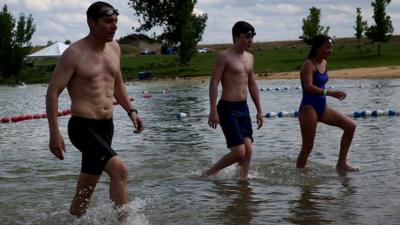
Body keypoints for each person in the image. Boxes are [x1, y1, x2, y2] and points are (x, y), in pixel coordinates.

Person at [45, 1, 144, 218]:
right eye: (108, 21)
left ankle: (73, 220)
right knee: (120, 170)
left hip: (107, 126)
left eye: (116, 21)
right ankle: (126, 223)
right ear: (92, 23)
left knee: (87, 186)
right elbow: (53, 92)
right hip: (83, 127)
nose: (114, 26)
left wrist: (131, 110)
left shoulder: (115, 48)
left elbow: (117, 84)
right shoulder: (74, 54)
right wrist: (54, 133)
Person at [203, 21, 263, 179]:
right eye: (248, 36)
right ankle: (209, 173)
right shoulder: (224, 57)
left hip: (243, 108)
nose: (251, 40)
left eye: (253, 36)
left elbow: (252, 84)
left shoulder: (250, 57)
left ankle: (242, 184)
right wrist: (213, 110)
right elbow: (214, 83)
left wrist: (259, 110)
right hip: (227, 108)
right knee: (239, 152)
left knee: (248, 151)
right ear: (236, 37)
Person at [296, 34, 358, 172]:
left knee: (350, 126)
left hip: (322, 108)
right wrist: (329, 93)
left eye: (331, 48)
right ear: (317, 48)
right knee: (308, 147)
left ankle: (341, 163)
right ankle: (299, 175)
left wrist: (328, 94)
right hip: (308, 108)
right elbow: (308, 87)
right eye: (327, 47)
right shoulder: (308, 64)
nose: (330, 51)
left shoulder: (324, 63)